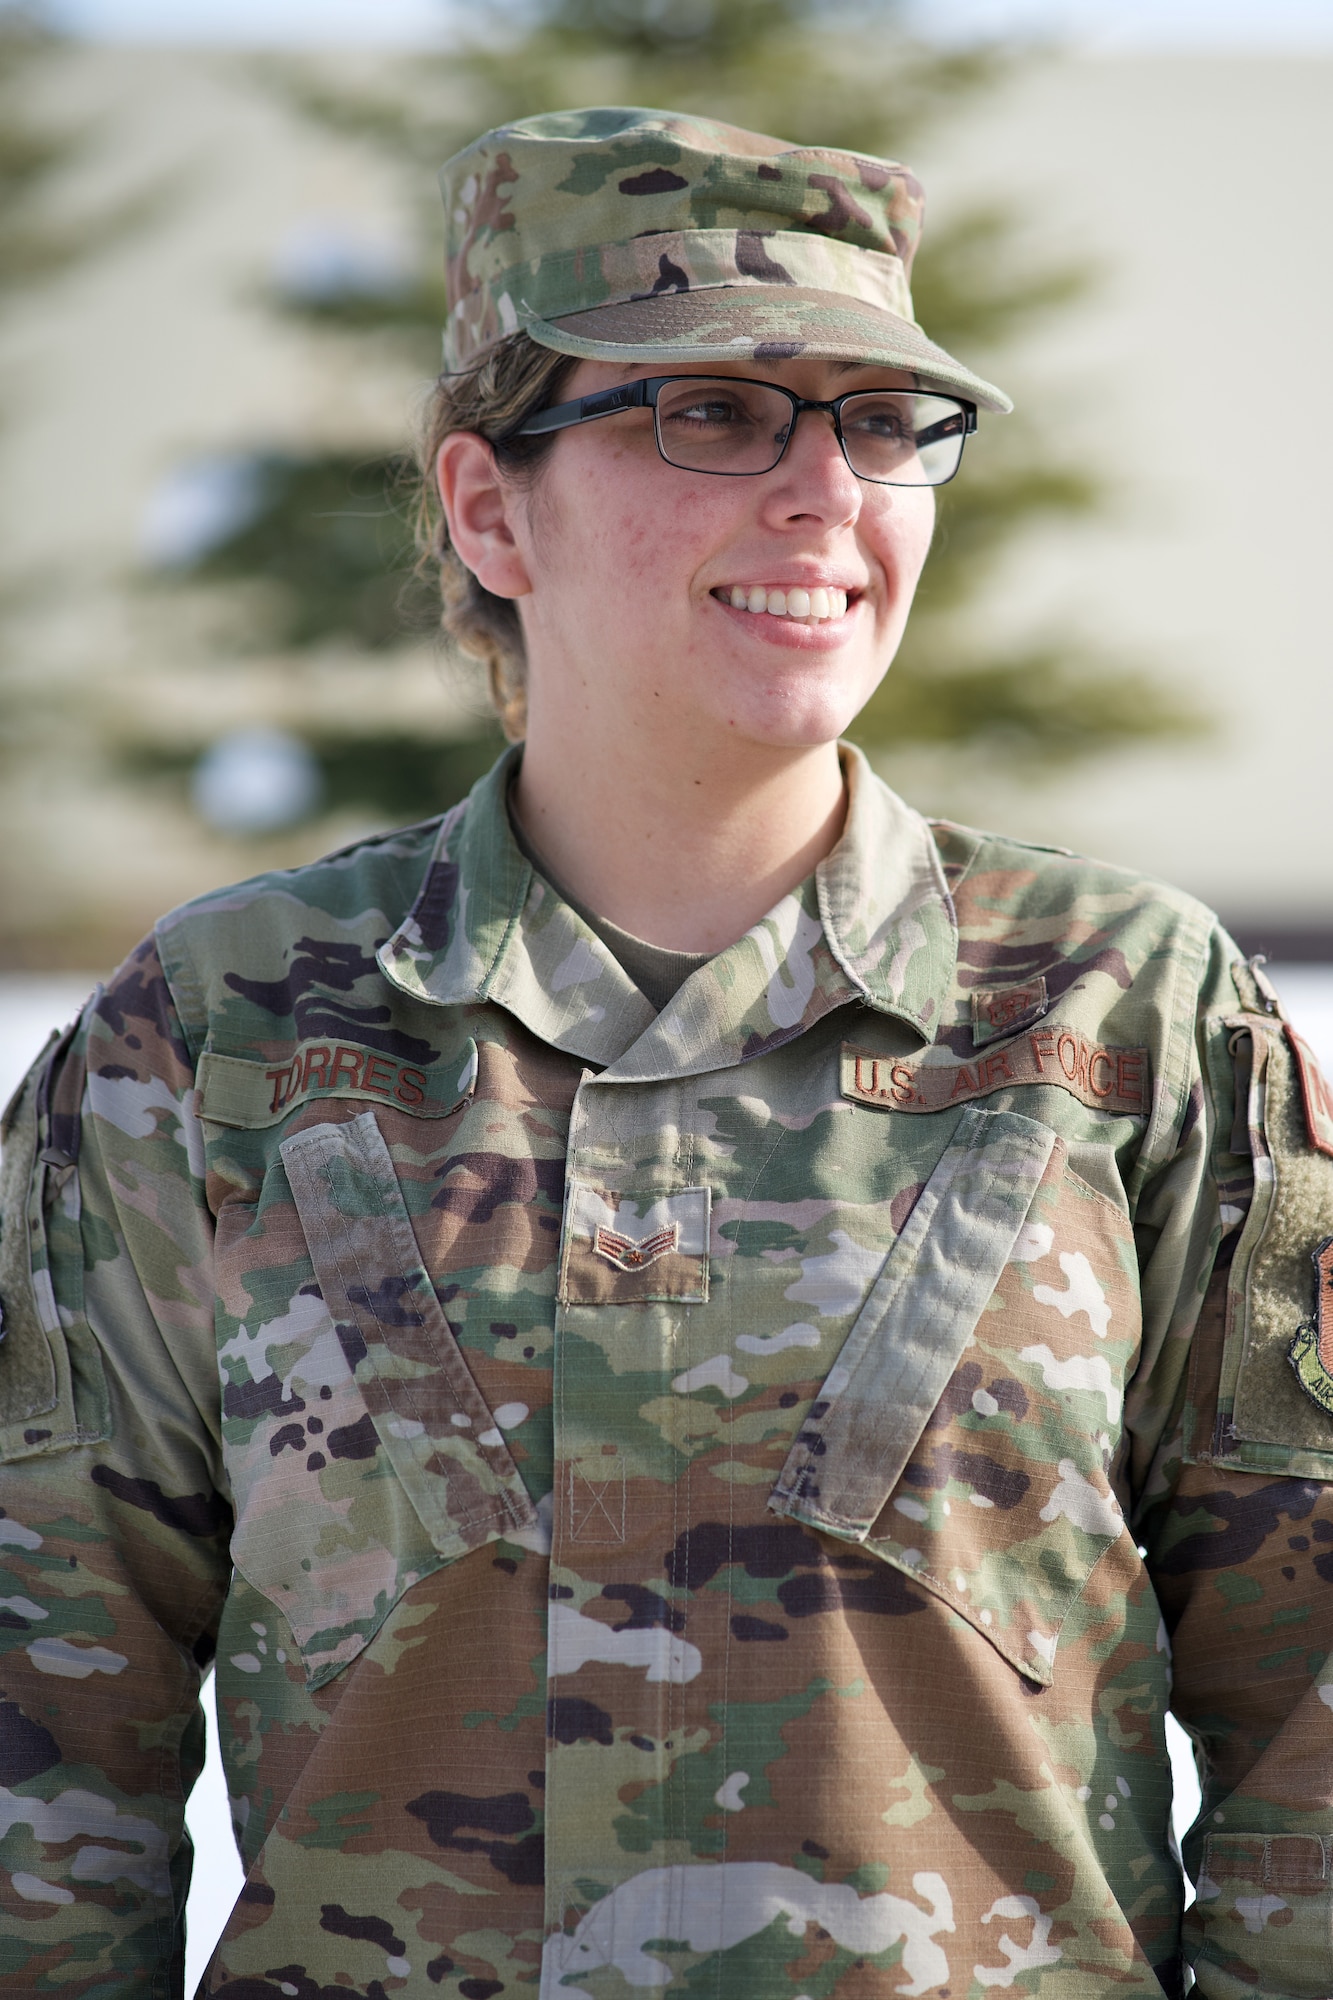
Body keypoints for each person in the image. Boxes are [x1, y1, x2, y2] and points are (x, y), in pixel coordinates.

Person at [1, 103, 1331, 2000]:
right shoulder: (219, 1035)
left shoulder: (1122, 1013)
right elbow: (41, 1743)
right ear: (487, 507)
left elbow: (1314, 1712)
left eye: (881, 421)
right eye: (707, 412)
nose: (819, 493)